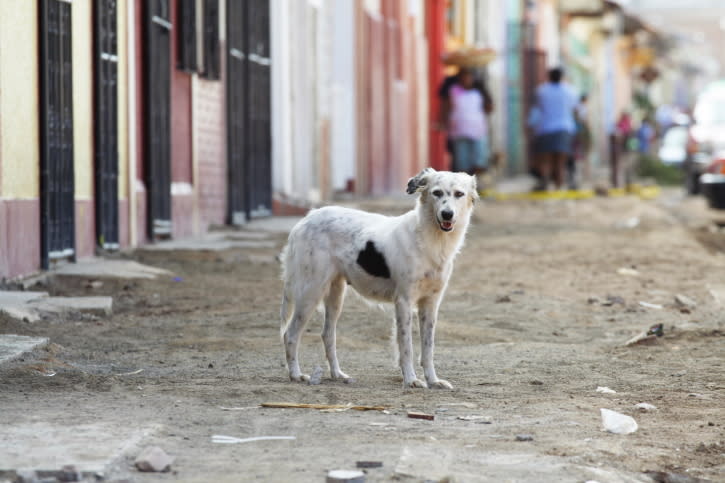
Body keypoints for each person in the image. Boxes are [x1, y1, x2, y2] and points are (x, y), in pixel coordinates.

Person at [529, 67, 578, 190]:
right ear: (561, 77)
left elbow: (536, 109)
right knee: (560, 162)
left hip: (545, 128)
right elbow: (574, 108)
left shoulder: (541, 91)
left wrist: (531, 126)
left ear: (549, 77)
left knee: (546, 160)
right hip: (564, 128)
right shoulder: (569, 91)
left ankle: (544, 182)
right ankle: (559, 187)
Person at [438, 67, 494, 174]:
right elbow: (446, 107)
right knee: (461, 161)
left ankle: (477, 181)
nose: (466, 79)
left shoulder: (479, 91)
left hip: (478, 130)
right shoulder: (453, 90)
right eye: (463, 77)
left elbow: (489, 107)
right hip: (459, 130)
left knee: (479, 159)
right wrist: (442, 122)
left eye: (469, 76)